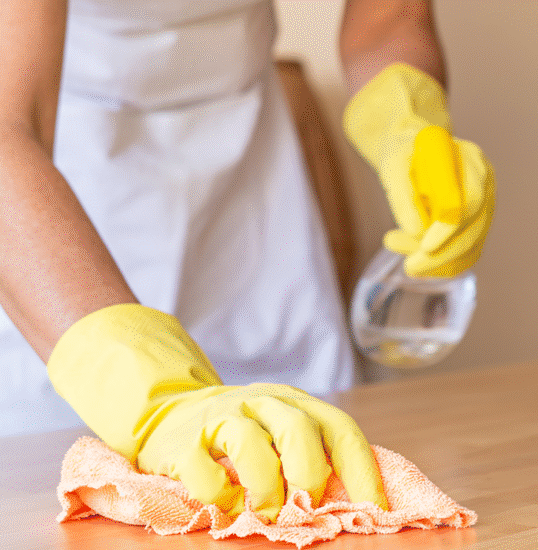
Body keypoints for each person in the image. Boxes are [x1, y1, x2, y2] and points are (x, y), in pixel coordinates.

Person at [0, 0, 494, 521]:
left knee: (305, 481)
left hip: (253, 183)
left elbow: (386, 21)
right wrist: (142, 391)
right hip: (50, 192)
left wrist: (407, 121)